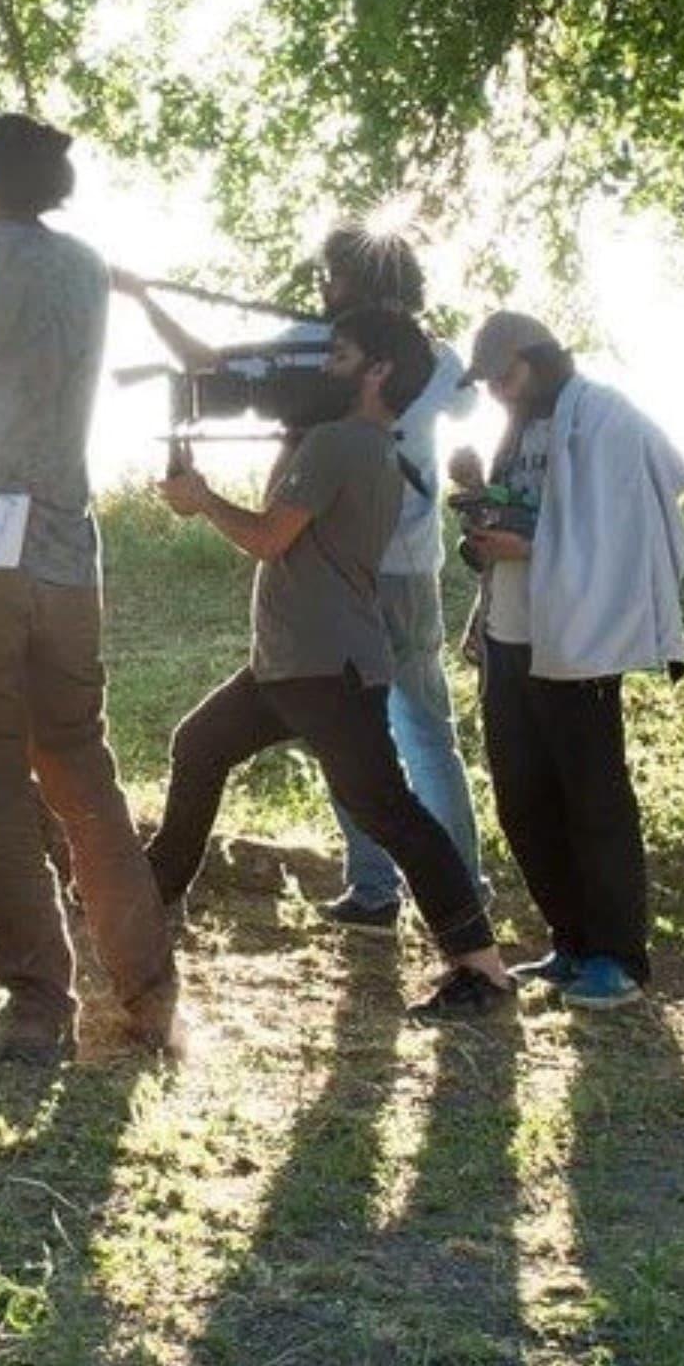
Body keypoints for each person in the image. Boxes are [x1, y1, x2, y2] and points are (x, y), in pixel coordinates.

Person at [0, 113, 181, 1063]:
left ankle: (36, 1005)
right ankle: (148, 988)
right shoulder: (88, 266)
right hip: (65, 557)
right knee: (81, 765)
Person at [147, 306, 519, 1018]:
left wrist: (199, 500)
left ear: (378, 370)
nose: (323, 364)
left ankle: (482, 966)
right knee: (198, 743)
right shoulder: (367, 445)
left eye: (339, 354)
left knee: (389, 809)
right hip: (292, 663)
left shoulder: (336, 443)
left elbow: (266, 538)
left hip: (324, 667)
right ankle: (154, 891)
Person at [123, 225, 487, 933]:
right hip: (395, 567)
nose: (329, 290)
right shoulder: (425, 355)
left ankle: (432, 896)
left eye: (337, 279)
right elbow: (207, 367)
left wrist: (141, 298)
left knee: (393, 737)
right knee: (376, 736)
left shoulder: (326, 349)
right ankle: (403, 890)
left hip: (361, 572)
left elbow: (205, 365)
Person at [455, 310, 684, 1012]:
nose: (498, 389)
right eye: (490, 380)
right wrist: (480, 509)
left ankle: (618, 955)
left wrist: (532, 544)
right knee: (522, 796)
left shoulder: (604, 416)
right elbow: (528, 515)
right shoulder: (521, 427)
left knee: (593, 798)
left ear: (539, 358)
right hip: (511, 629)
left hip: (581, 635)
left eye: (506, 374)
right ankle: (569, 938)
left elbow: (636, 514)